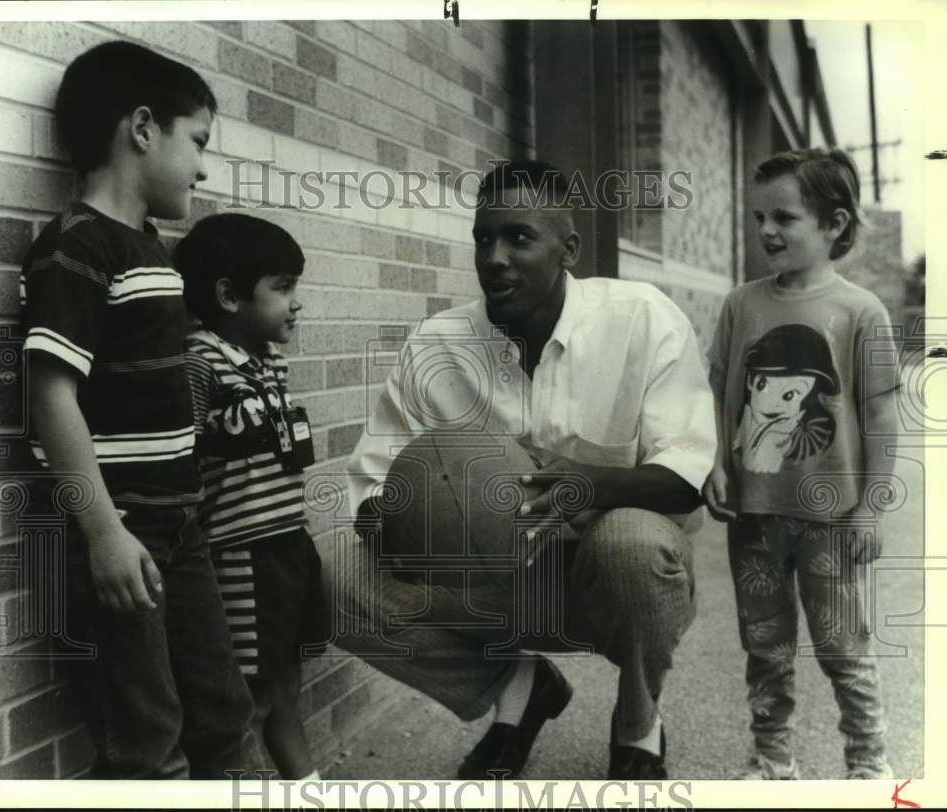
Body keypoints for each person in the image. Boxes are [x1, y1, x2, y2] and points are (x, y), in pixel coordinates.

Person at [334, 160, 717, 779]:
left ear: (568, 249)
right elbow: (368, 491)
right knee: (333, 578)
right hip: (489, 581)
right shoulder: (439, 344)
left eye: (518, 237)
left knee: (634, 543)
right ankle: (519, 685)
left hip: (605, 575)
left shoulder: (642, 317)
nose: (495, 257)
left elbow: (686, 473)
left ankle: (638, 717)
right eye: (484, 238)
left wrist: (577, 483)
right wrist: (425, 512)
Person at [20, 41, 264, 778]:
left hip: (178, 528)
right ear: (143, 128)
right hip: (119, 533)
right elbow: (49, 393)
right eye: (198, 143)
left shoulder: (151, 248)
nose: (203, 167)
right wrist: (102, 534)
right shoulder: (76, 248)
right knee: (146, 743)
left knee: (224, 715)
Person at [702, 148, 899, 780]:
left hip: (831, 519)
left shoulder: (860, 311)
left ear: (834, 224)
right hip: (754, 517)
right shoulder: (741, 305)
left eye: (783, 217)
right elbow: (716, 392)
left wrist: (870, 507)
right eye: (759, 216)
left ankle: (868, 763)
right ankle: (772, 760)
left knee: (844, 648)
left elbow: (881, 418)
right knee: (765, 647)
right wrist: (717, 463)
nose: (765, 230)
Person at [175, 213, 328, 780]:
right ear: (228, 296)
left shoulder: (268, 360)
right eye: (282, 288)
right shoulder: (201, 361)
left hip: (288, 543)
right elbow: (179, 454)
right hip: (242, 555)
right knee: (252, 697)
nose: (296, 303)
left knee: (288, 686)